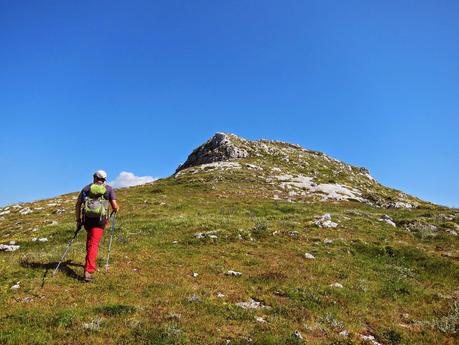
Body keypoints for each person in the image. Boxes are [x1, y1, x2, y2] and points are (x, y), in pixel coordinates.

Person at [75, 170, 119, 282]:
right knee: (93, 244)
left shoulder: (86, 188)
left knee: (90, 241)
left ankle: (88, 263)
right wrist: (116, 209)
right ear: (104, 179)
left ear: (94, 177)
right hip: (100, 221)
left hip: (87, 220)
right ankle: (88, 271)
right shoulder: (108, 189)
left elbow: (78, 205)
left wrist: (78, 220)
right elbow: (115, 206)